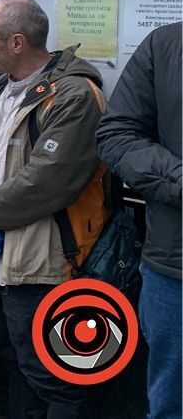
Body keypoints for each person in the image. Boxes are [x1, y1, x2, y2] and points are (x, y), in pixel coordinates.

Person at [0, 0, 106, 418]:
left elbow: (47, 181)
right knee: (13, 361)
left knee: (54, 378)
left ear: (16, 42)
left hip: (43, 264)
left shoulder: (74, 94)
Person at [96, 21, 180, 419]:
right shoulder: (166, 45)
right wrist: (179, 179)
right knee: (171, 403)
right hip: (176, 268)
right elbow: (117, 133)